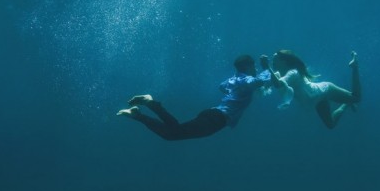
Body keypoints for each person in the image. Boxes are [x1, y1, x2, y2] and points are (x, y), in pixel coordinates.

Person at [117, 55, 271, 140]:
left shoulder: (235, 79)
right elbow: (256, 82)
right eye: (253, 67)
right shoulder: (244, 80)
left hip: (214, 115)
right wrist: (266, 68)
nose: (255, 69)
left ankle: (140, 112)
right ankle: (147, 104)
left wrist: (235, 94)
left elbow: (222, 87)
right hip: (217, 119)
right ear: (247, 67)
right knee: (174, 133)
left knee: (173, 133)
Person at [262, 50, 361, 129]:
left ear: (284, 61)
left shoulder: (293, 72)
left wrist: (267, 67)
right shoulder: (278, 75)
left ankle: (355, 66)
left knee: (356, 97)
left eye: (274, 60)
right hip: (315, 101)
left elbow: (278, 84)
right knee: (330, 124)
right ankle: (347, 103)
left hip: (323, 91)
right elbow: (266, 81)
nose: (272, 63)